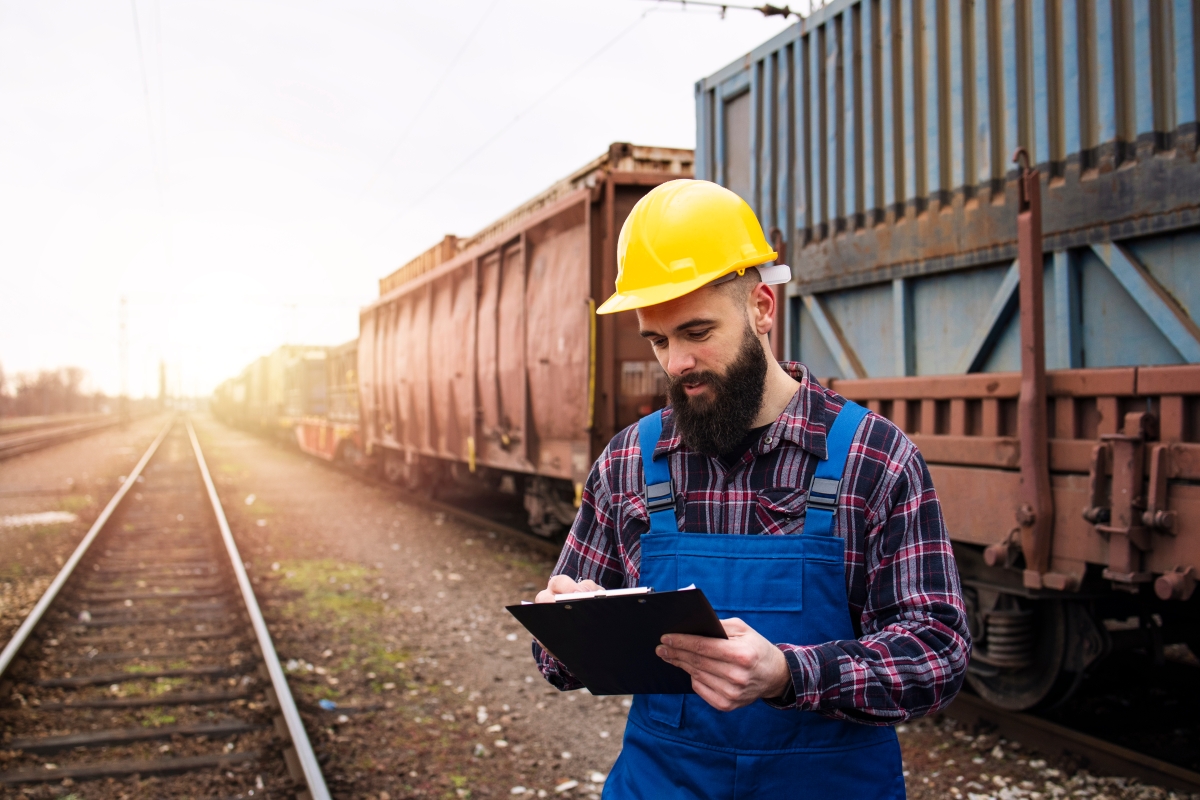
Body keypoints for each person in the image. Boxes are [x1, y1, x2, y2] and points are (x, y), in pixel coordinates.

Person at [531, 179, 970, 799]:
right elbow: (554, 663)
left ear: (762, 307)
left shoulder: (874, 457)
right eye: (658, 340)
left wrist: (790, 672)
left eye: (696, 331)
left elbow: (938, 651)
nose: (675, 361)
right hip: (664, 784)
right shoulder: (629, 462)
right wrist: (569, 626)